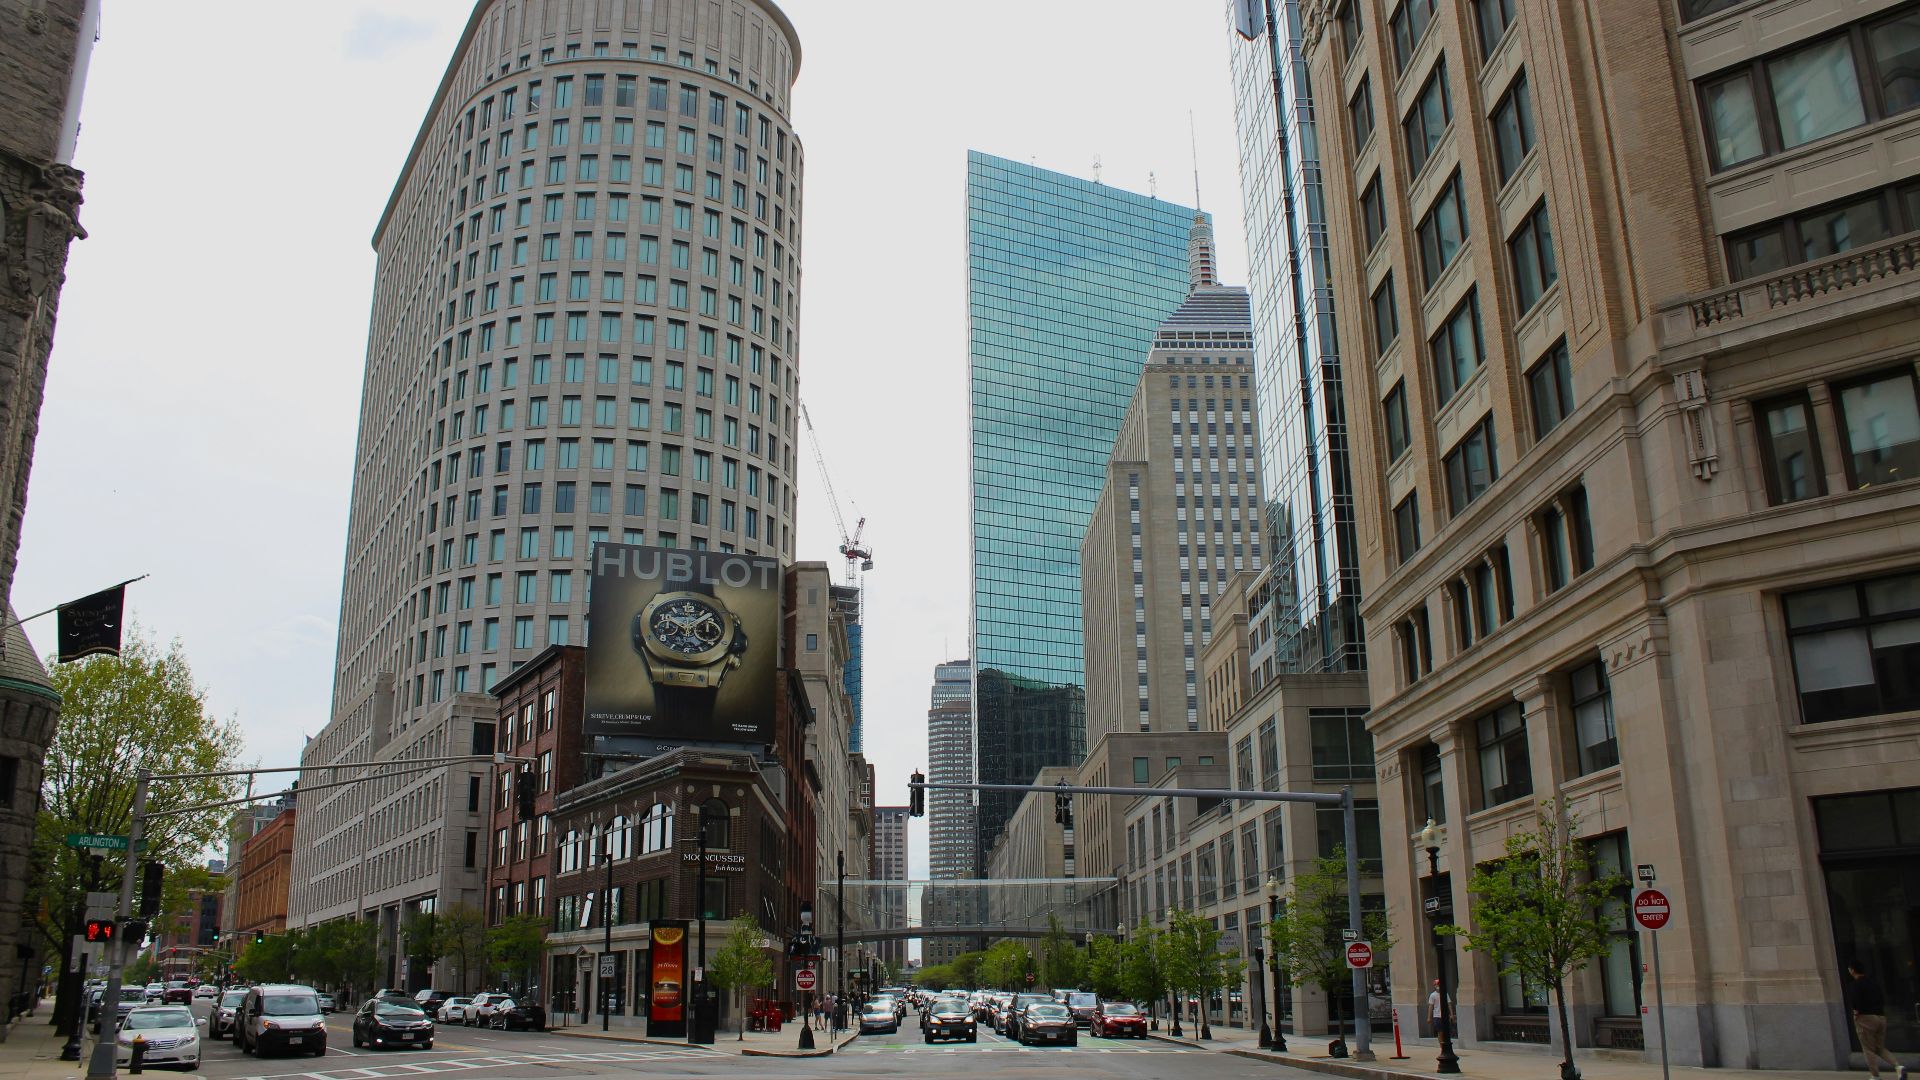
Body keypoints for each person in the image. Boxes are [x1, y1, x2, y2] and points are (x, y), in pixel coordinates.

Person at [1848, 961, 1907, 1080]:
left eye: (1850, 969)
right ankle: (1898, 1066)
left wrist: (1856, 1013)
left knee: (1868, 1049)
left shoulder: (1856, 984)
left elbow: (1855, 1001)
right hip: (1881, 1017)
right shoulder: (1873, 983)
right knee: (1879, 1048)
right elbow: (1882, 998)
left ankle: (1875, 1075)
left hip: (1866, 1018)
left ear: (1853, 970)